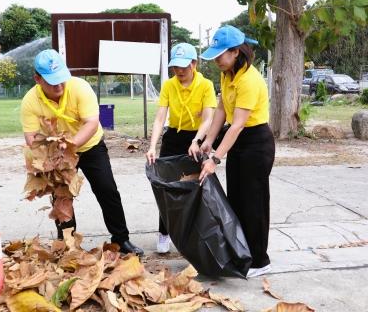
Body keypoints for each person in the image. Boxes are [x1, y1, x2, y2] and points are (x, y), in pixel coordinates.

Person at [20, 49, 143, 256]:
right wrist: (44, 159)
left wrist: (70, 146)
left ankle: (121, 240)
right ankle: (68, 245)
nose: (59, 85)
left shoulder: (80, 88)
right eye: (52, 81)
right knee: (61, 198)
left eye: (61, 79)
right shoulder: (30, 101)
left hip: (90, 146)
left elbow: (92, 123)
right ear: (37, 79)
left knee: (107, 190)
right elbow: (31, 137)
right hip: (56, 154)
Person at [198, 25, 275, 278]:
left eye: (221, 55)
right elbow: (221, 110)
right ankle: (242, 253)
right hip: (238, 142)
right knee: (236, 201)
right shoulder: (227, 74)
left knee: (254, 203)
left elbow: (239, 124)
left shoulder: (250, 80)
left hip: (256, 142)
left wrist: (216, 159)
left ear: (235, 51)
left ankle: (260, 261)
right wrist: (209, 141)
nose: (217, 60)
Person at [145, 43, 217, 253]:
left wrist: (196, 141)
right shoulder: (169, 85)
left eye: (184, 66)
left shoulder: (206, 86)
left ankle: (197, 232)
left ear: (194, 63)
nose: (180, 70)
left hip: (196, 139)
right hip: (173, 137)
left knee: (197, 185)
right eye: (175, 66)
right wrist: (152, 147)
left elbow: (207, 119)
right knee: (167, 187)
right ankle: (164, 233)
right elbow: (160, 118)